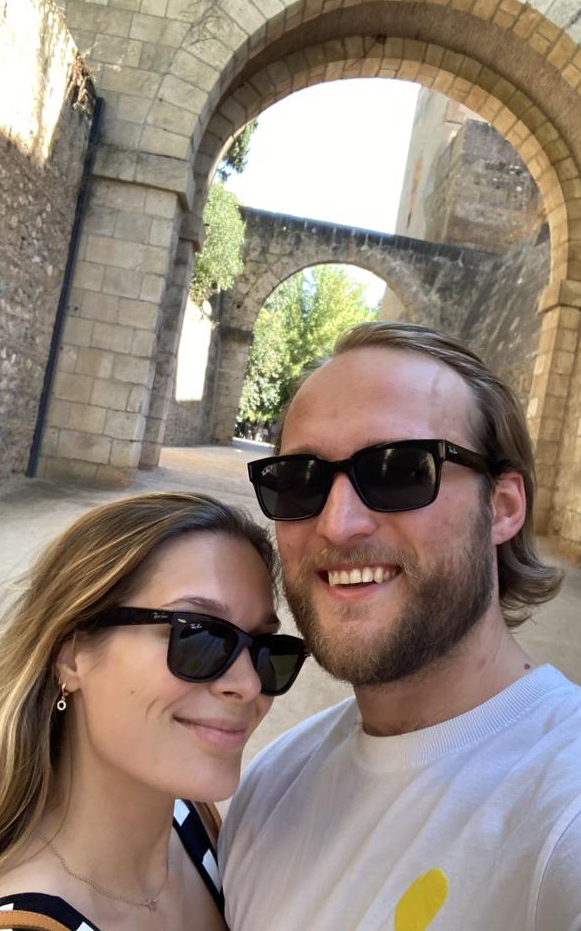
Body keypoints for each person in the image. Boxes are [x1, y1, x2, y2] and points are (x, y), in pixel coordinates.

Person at [220, 321, 581, 931]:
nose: (338, 525)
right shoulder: (270, 786)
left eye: (399, 470)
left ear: (504, 506)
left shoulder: (563, 808)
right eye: (300, 480)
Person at [0, 492, 307, 931]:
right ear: (71, 655)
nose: (248, 684)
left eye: (266, 650)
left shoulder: (192, 824)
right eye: (199, 637)